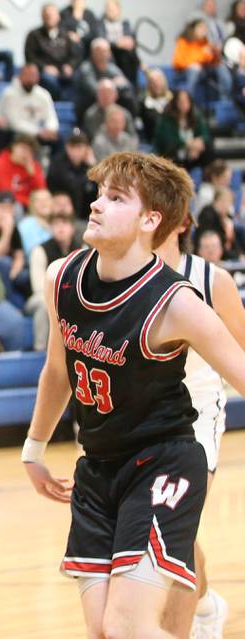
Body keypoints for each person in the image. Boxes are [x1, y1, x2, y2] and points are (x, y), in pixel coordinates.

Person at [22, 151, 245, 639]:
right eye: (99, 193)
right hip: (98, 467)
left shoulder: (178, 301)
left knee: (128, 627)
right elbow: (57, 372)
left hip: (163, 462)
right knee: (103, 631)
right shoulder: (62, 277)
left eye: (116, 198)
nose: (96, 204)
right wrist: (34, 449)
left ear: (151, 221)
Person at [154, 215, 244, 639]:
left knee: (174, 529)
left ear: (179, 220)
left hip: (196, 417)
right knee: (166, 533)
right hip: (137, 421)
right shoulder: (115, 273)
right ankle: (206, 602)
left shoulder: (211, 280)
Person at [27, 207, 81, 350]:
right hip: (41, 297)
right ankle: (40, 351)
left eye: (65, 223)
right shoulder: (39, 251)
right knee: (45, 305)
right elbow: (38, 288)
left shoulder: (82, 249)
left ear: (72, 228)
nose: (61, 228)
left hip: (71, 296)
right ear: (51, 228)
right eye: (56, 224)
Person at [153, 89, 213, 171]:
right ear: (175, 103)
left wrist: (199, 142)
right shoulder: (166, 119)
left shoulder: (196, 116)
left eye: (186, 101)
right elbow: (168, 142)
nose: (184, 104)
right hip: (174, 154)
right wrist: (188, 145)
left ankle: (208, 177)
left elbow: (205, 135)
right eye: (181, 101)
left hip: (193, 152)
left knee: (208, 150)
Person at [0, 134, 46, 209]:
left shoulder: (33, 165)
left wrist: (32, 174)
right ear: (13, 147)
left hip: (30, 204)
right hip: (7, 203)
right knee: (17, 207)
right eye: (23, 148)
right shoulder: (0, 164)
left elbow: (42, 192)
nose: (26, 153)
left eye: (30, 151)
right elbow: (6, 193)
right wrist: (30, 203)